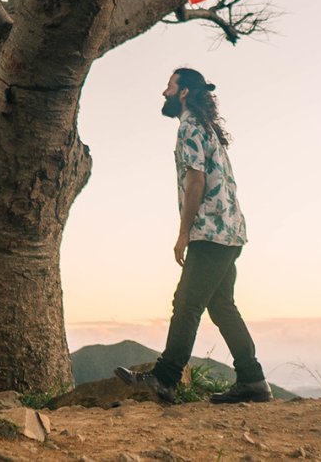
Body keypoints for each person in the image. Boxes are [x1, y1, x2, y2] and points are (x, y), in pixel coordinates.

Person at [114, 68, 272, 404]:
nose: (164, 92)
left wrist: (183, 233)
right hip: (231, 231)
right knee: (222, 307)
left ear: (183, 92)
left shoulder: (188, 126)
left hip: (210, 233)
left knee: (186, 303)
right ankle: (253, 380)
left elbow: (195, 181)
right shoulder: (207, 128)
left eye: (169, 86)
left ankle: (165, 377)